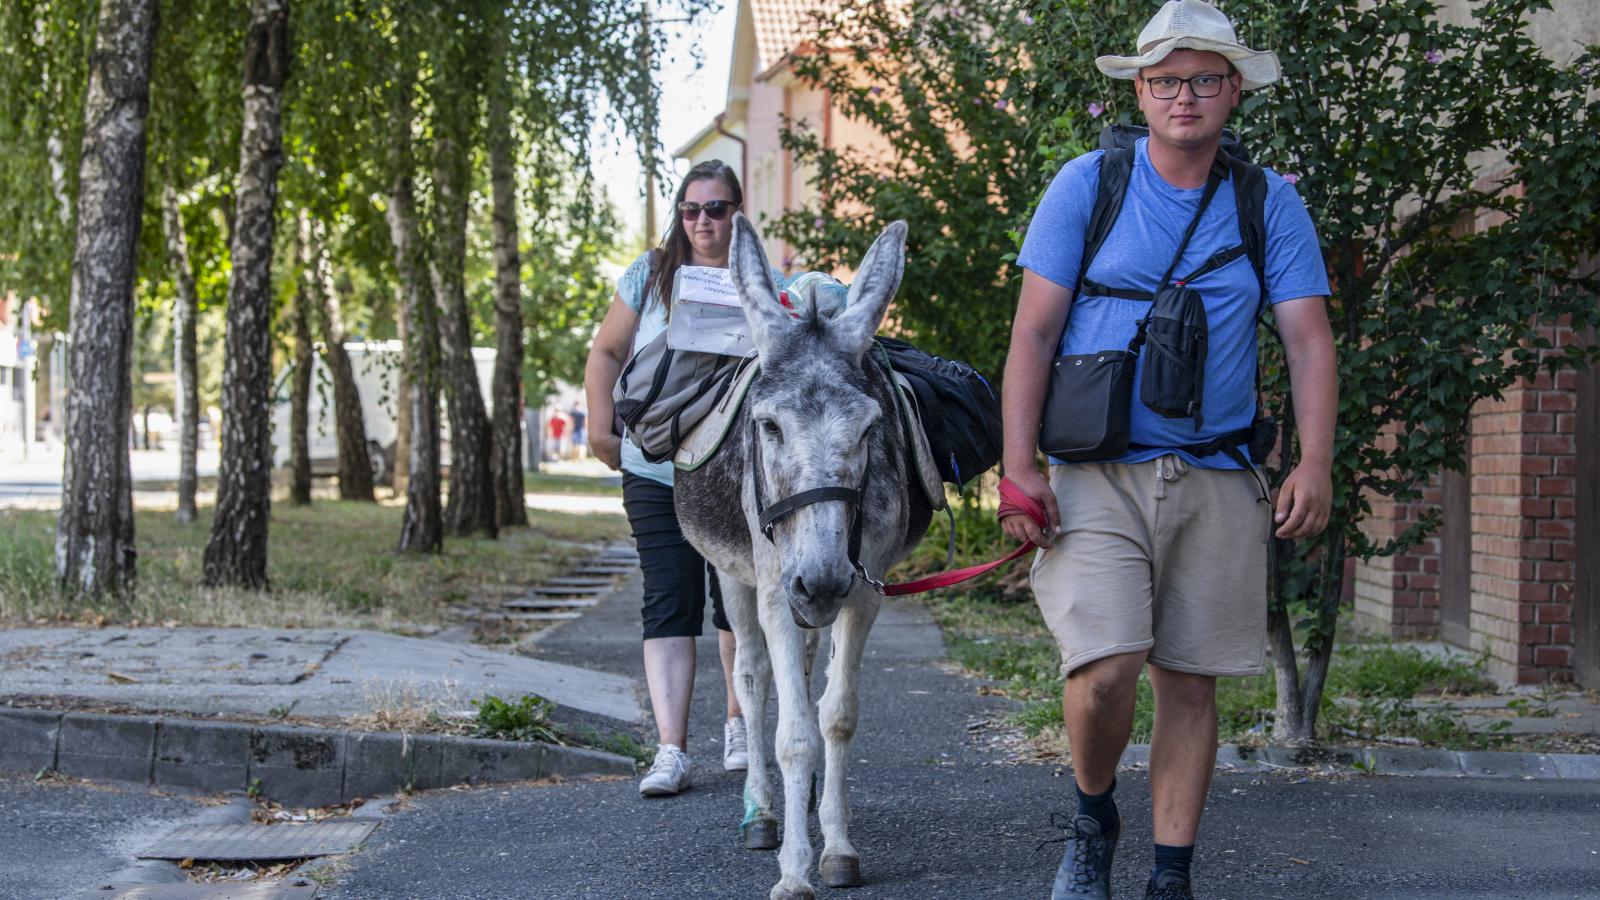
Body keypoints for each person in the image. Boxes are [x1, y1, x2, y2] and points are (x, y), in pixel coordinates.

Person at [1000, 3, 1337, 898]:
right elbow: (1032, 334)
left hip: (1220, 473)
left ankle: (1171, 876)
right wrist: (1019, 466)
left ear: (1233, 90)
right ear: (1140, 91)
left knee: (1190, 685)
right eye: (1165, 80)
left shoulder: (1270, 203)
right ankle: (1092, 811)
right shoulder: (1087, 184)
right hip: (1095, 471)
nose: (1183, 96)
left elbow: (1307, 340)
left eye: (1202, 79)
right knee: (1107, 669)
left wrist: (1314, 460)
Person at [583, 159, 776, 797]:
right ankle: (670, 750)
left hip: (729, 473)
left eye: (715, 209)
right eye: (690, 210)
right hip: (654, 468)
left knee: (735, 605)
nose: (701, 222)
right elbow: (607, 351)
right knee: (669, 600)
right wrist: (599, 426)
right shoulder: (651, 274)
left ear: (736, 212)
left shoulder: (759, 280)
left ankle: (739, 725)